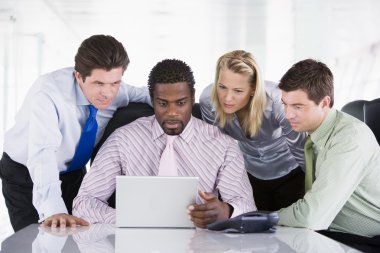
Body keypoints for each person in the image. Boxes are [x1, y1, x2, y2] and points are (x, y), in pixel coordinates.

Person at [72, 59, 255, 228]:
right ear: (152, 100)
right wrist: (131, 218)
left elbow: (246, 205)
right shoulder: (123, 140)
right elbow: (84, 203)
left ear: (192, 99)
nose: (172, 113)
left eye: (181, 103)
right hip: (137, 242)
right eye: (163, 104)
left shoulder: (223, 145)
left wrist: (226, 212)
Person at [0, 35, 151, 231]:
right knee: (39, 240)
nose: (108, 93)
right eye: (98, 84)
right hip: (27, 173)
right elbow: (42, 155)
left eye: (115, 82)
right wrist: (54, 210)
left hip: (74, 173)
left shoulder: (118, 91)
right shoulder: (48, 95)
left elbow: (150, 94)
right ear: (78, 76)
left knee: (79, 239)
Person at [278, 59, 380, 251]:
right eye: (285, 104)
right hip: (331, 233)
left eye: (298, 107)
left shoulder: (349, 139)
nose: (288, 114)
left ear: (324, 103)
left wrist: (267, 217)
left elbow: (311, 217)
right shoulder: (314, 135)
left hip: (367, 240)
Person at [200, 50, 306, 211]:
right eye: (222, 87)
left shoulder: (278, 100)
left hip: (291, 174)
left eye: (238, 90)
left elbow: (300, 149)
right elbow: (215, 149)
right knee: (254, 230)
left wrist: (314, 192)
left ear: (253, 89)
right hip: (250, 174)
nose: (227, 98)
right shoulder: (208, 100)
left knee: (290, 232)